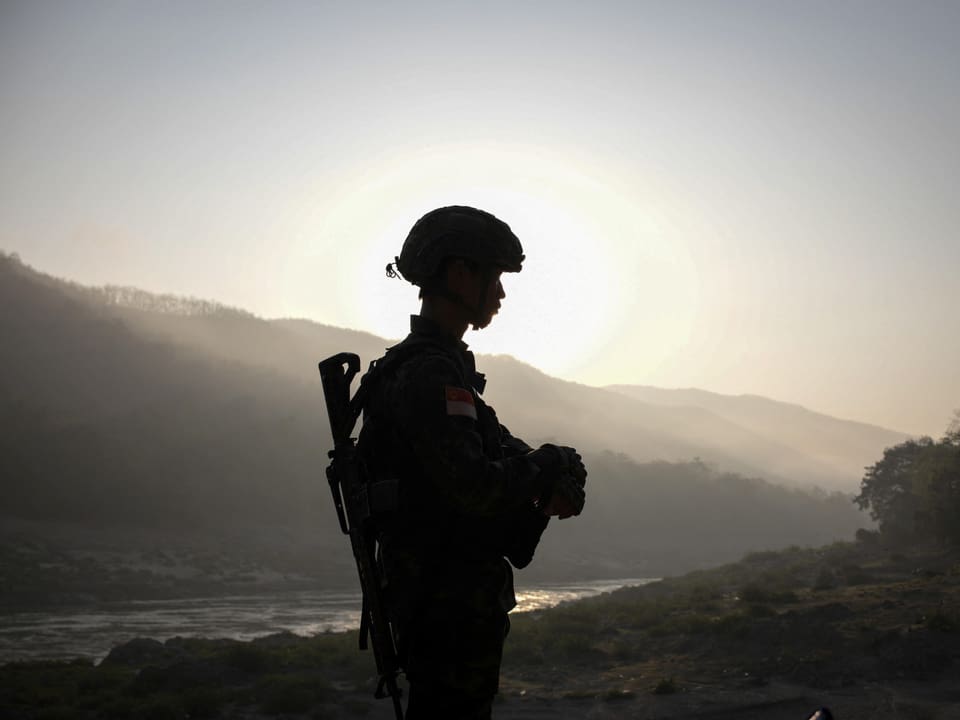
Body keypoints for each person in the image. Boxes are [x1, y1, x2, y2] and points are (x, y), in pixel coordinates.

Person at [356, 205, 587, 719]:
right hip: (446, 607)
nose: (501, 294)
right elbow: (477, 485)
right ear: (460, 273)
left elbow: (504, 452)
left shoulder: (444, 373)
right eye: (495, 277)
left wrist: (557, 468)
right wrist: (547, 464)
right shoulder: (429, 375)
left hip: (452, 604)